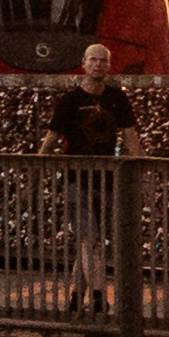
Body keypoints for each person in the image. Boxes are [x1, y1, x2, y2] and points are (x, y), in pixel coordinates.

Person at [47, 55, 141, 311]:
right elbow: (53, 136)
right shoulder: (70, 100)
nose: (98, 65)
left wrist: (140, 167)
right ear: (84, 64)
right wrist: (38, 165)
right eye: (93, 60)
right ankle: (99, 298)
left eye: (103, 60)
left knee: (89, 243)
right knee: (92, 241)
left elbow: (130, 134)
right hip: (77, 181)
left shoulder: (117, 98)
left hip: (107, 180)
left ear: (109, 66)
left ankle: (77, 298)